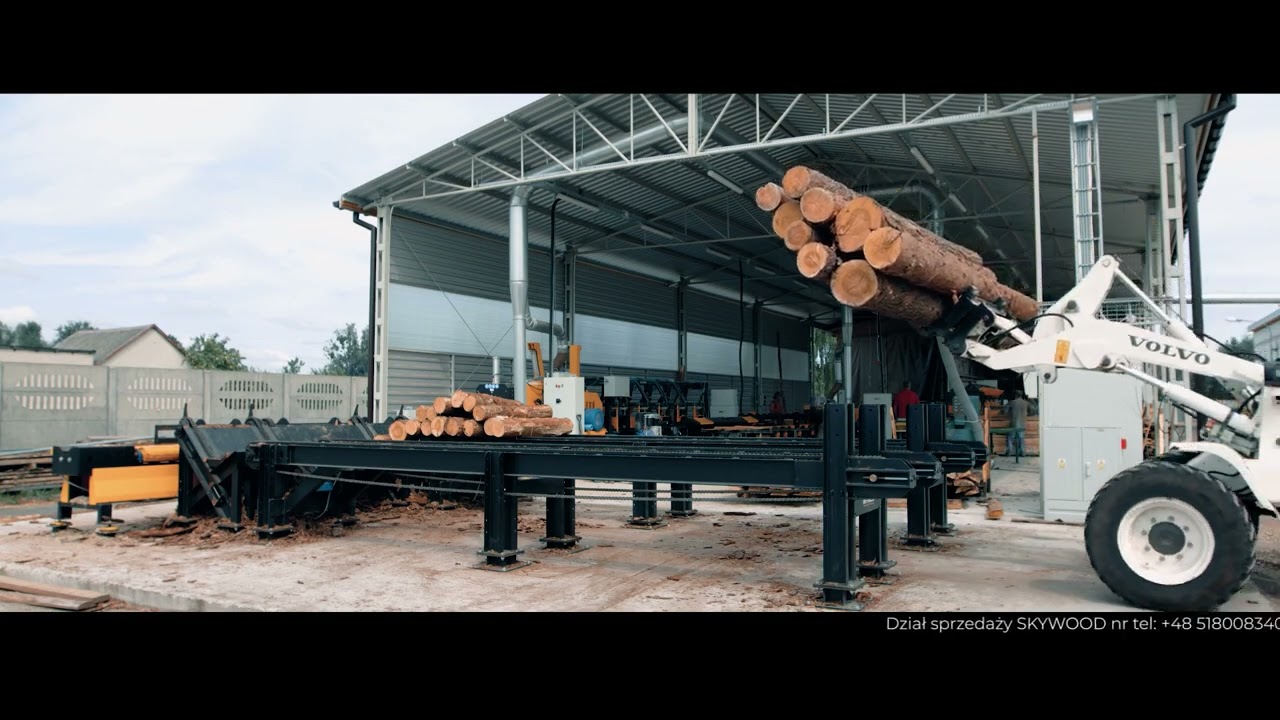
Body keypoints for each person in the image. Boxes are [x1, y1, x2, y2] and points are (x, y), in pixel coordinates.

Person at [1007, 389, 1032, 462]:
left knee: (1010, 437)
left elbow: (1004, 410)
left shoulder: (1012, 402)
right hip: (1022, 424)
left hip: (1013, 424)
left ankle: (1010, 451)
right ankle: (1023, 452)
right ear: (1021, 395)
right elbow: (1031, 412)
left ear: (1015, 395)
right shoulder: (1026, 403)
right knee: (1021, 438)